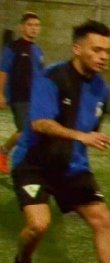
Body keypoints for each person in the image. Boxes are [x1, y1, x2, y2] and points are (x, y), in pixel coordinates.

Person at [9, 20, 110, 263]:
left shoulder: (102, 89)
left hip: (72, 166)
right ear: (77, 49)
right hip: (34, 164)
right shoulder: (52, 77)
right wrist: (81, 136)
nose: (103, 56)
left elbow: (90, 128)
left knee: (102, 219)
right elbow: (40, 123)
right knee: (38, 226)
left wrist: (85, 141)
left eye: (107, 51)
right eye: (96, 50)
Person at [0, 12, 44, 175]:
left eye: (36, 25)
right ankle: (22, 164)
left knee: (32, 131)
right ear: (22, 27)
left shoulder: (38, 51)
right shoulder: (13, 47)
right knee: (26, 131)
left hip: (35, 98)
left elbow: (40, 75)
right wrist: (0, 93)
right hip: (19, 97)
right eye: (30, 25)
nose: (33, 28)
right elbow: (3, 71)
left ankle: (4, 151)